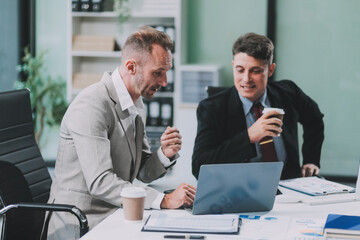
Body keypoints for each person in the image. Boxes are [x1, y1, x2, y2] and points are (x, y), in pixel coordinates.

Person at [46, 26, 196, 239]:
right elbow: (100, 182)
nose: (164, 82)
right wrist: (163, 200)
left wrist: (164, 153)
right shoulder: (92, 104)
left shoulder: (134, 102)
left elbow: (142, 172)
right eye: (157, 73)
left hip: (115, 213)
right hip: (81, 221)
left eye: (166, 73)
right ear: (131, 67)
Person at [192, 32, 324, 180]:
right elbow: (199, 166)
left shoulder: (288, 92)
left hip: (288, 184)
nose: (246, 79)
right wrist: (249, 137)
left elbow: (315, 119)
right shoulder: (212, 108)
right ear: (233, 66)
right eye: (240, 70)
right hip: (240, 188)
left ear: (271, 70)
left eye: (256, 71)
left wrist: (311, 160)